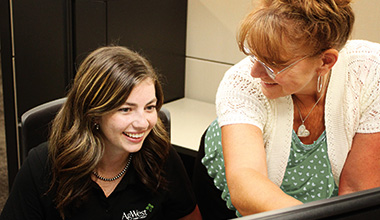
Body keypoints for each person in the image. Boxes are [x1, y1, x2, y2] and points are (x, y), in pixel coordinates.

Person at [198, 0, 380, 218]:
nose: (255, 72)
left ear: (325, 61)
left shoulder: (370, 71)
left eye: (273, 63)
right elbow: (247, 184)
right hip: (245, 202)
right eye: (254, 56)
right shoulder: (241, 82)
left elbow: (355, 190)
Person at [0, 46, 201, 220]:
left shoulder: (160, 156)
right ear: (95, 113)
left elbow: (188, 216)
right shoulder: (42, 165)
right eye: (125, 109)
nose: (142, 123)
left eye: (149, 107)